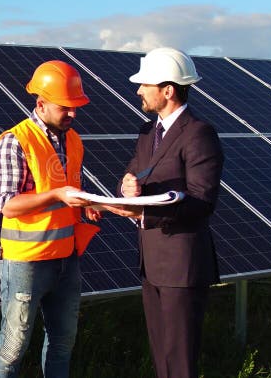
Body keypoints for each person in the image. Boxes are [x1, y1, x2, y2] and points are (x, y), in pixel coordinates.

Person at [108, 47, 223, 378]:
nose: (139, 90)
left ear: (168, 90)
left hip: (182, 265)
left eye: (146, 84)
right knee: (162, 358)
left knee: (180, 361)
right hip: (151, 263)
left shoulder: (199, 133)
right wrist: (127, 188)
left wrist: (146, 216)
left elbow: (202, 200)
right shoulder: (147, 133)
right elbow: (132, 177)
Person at [0, 60, 101, 378]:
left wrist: (85, 207)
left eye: (76, 107)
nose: (73, 114)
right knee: (12, 350)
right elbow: (8, 205)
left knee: (63, 344)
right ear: (41, 104)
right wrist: (57, 196)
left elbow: (67, 192)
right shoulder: (15, 141)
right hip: (26, 264)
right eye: (66, 107)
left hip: (67, 259)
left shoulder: (73, 140)